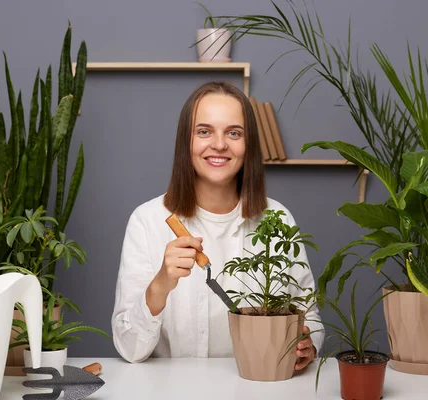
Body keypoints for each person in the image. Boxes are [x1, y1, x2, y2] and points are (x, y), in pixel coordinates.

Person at [111, 81, 324, 371]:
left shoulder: (279, 219)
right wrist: (161, 284)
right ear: (186, 142)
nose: (220, 144)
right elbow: (129, 348)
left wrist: (306, 345)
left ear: (248, 144)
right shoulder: (146, 221)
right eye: (204, 131)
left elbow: (308, 317)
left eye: (234, 133)